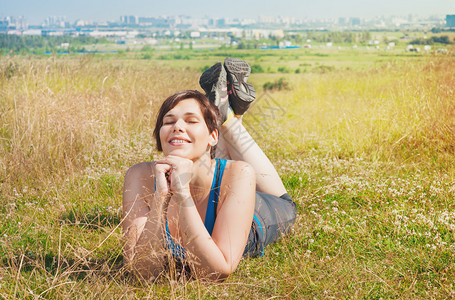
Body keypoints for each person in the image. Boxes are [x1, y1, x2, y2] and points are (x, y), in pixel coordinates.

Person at [122, 57, 297, 281]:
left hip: (250, 216)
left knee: (285, 204)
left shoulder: (240, 174)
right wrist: (160, 199)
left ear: (213, 136)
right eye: (168, 121)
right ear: (159, 135)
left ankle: (227, 119)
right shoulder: (140, 176)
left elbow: (215, 272)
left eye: (191, 121)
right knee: (203, 156)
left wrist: (182, 192)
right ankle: (227, 116)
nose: (177, 126)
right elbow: (141, 271)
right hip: (212, 168)